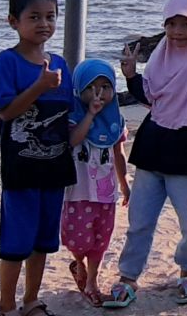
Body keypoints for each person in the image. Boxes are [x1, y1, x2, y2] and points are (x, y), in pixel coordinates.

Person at [106, 0, 187, 308]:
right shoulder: (163, 54)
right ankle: (128, 278)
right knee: (140, 218)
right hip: (152, 143)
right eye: (171, 23)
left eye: (186, 24)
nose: (176, 31)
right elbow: (150, 97)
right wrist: (131, 75)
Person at [0, 0, 76, 316]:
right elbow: (6, 112)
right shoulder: (7, 62)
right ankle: (6, 306)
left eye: (51, 16)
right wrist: (39, 86)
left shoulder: (60, 65)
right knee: (16, 244)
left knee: (42, 242)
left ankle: (31, 301)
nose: (44, 23)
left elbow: (66, 114)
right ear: (14, 21)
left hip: (54, 169)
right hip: (21, 170)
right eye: (34, 16)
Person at [63, 59, 130, 306]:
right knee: (77, 239)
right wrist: (90, 113)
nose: (99, 93)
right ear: (79, 89)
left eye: (105, 86)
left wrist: (124, 184)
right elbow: (73, 140)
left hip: (105, 193)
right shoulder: (73, 116)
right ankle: (78, 262)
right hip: (78, 191)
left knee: (101, 239)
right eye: (91, 87)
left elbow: (119, 154)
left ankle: (92, 280)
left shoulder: (116, 121)